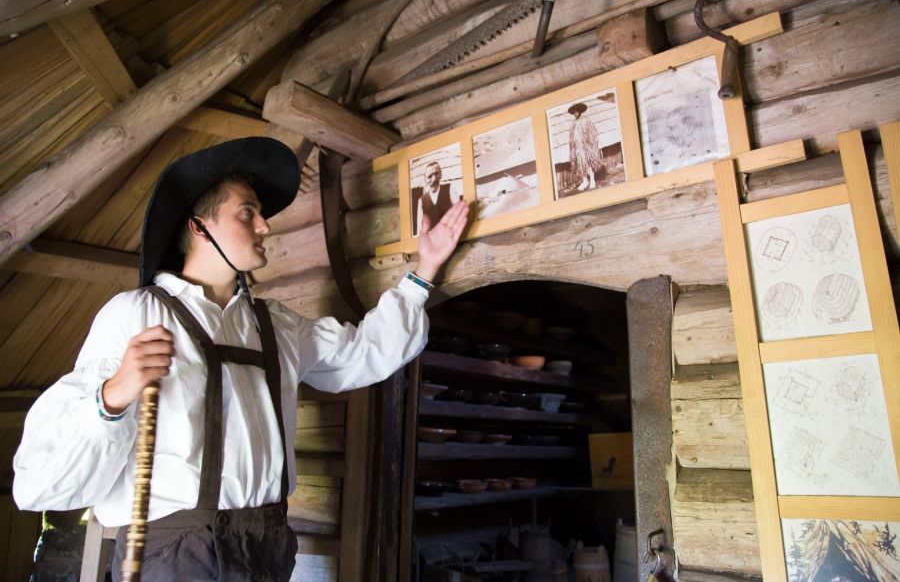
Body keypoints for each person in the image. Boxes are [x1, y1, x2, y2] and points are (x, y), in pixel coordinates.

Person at [13, 137, 469, 581]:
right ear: (198, 226)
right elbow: (39, 481)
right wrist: (112, 395)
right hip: (176, 557)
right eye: (247, 213)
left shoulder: (275, 325)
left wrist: (423, 272)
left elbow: (363, 354)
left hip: (266, 547)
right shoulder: (138, 313)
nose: (265, 226)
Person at [567, 102, 605, 193]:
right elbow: (571, 138)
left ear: (580, 111)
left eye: (577, 112)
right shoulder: (573, 124)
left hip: (586, 147)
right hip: (577, 149)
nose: (575, 113)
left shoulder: (586, 120)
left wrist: (590, 144)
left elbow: (592, 133)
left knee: (588, 163)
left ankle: (592, 180)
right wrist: (573, 149)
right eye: (574, 112)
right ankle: (585, 181)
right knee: (580, 165)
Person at [414, 161, 456, 236]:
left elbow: (458, 215)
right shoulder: (421, 201)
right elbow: (419, 231)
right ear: (425, 179)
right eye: (429, 176)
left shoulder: (450, 189)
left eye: (436, 174)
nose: (434, 179)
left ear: (441, 174)